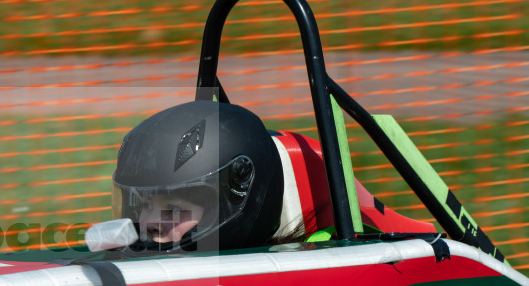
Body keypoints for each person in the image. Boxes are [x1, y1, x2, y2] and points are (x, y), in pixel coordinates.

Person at [112, 100, 434, 253]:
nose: (151, 222)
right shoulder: (145, 251)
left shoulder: (311, 264)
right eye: (145, 205)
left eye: (172, 210)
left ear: (231, 202)